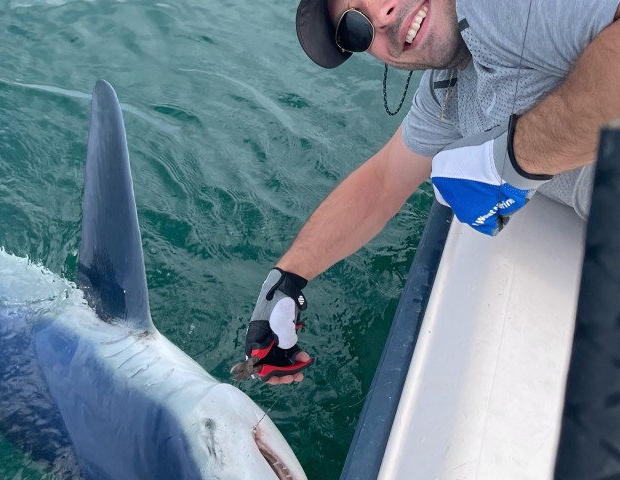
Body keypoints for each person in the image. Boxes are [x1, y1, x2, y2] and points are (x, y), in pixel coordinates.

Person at [231, 0, 620, 385]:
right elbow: (382, 182)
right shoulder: (447, 91)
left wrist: (516, 158)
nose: (381, 16)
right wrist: (286, 281)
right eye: (355, 26)